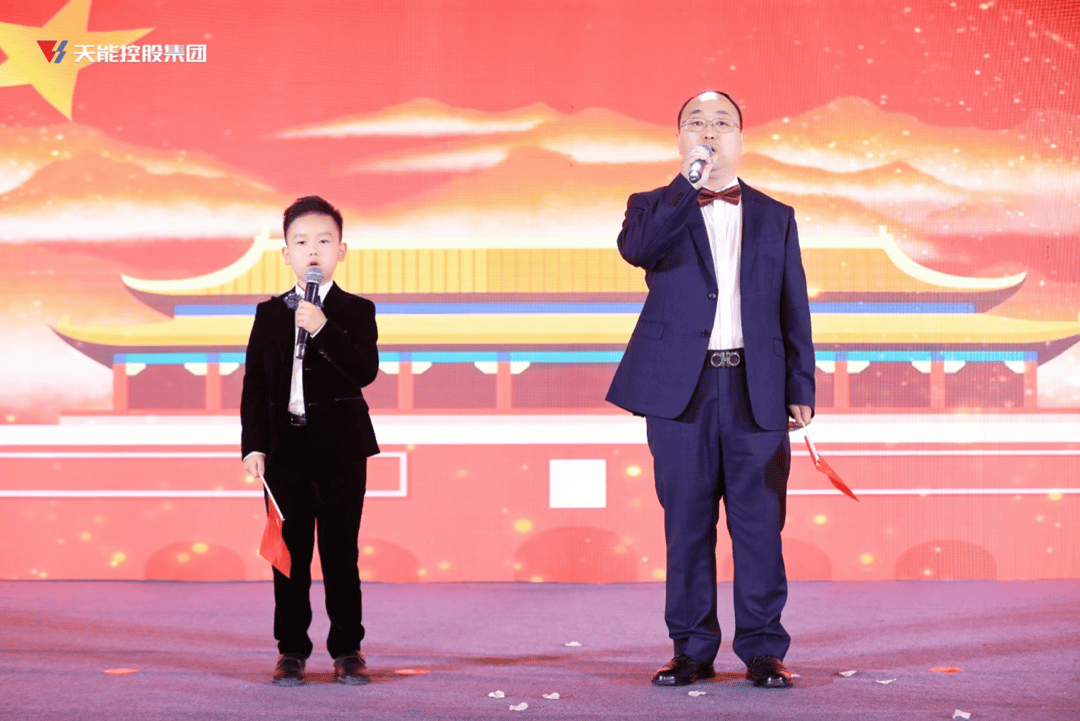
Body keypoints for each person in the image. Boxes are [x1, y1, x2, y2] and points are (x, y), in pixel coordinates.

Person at [606, 91, 815, 689]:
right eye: (695, 123)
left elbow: (792, 305)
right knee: (687, 524)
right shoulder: (653, 206)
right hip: (682, 393)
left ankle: (764, 650)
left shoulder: (776, 215)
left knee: (760, 526)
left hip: (756, 388)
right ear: (679, 139)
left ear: (742, 139)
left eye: (723, 122)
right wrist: (686, 183)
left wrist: (800, 384)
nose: (709, 131)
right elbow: (637, 251)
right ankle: (691, 649)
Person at [241, 195, 380, 686]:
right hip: (286, 452)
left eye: (324, 240)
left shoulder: (356, 311)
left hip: (341, 450)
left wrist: (323, 328)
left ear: (341, 251)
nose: (313, 250)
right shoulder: (269, 313)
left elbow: (364, 371)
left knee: (341, 555)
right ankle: (292, 651)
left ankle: (348, 650)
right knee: (289, 558)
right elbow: (255, 384)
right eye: (301, 242)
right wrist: (253, 446)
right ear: (286, 254)